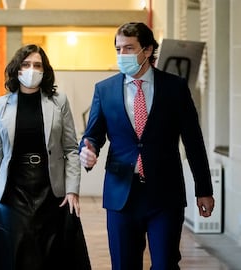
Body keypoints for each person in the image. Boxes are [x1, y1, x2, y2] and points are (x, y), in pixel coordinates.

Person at [79, 22, 215, 269]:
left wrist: (203, 189)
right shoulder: (105, 90)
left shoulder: (175, 88)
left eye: (129, 48)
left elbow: (194, 141)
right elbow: (93, 135)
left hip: (164, 195)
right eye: (118, 49)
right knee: (123, 264)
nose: (122, 55)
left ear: (148, 50)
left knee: (165, 264)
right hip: (121, 196)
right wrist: (88, 151)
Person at [0, 44, 91, 270]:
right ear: (17, 69)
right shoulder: (0, 105)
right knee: (18, 255)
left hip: (51, 189)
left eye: (37, 65)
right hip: (13, 190)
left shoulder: (59, 101)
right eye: (26, 64)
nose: (32, 69)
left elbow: (70, 149)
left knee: (50, 256)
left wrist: (72, 190)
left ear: (45, 70)